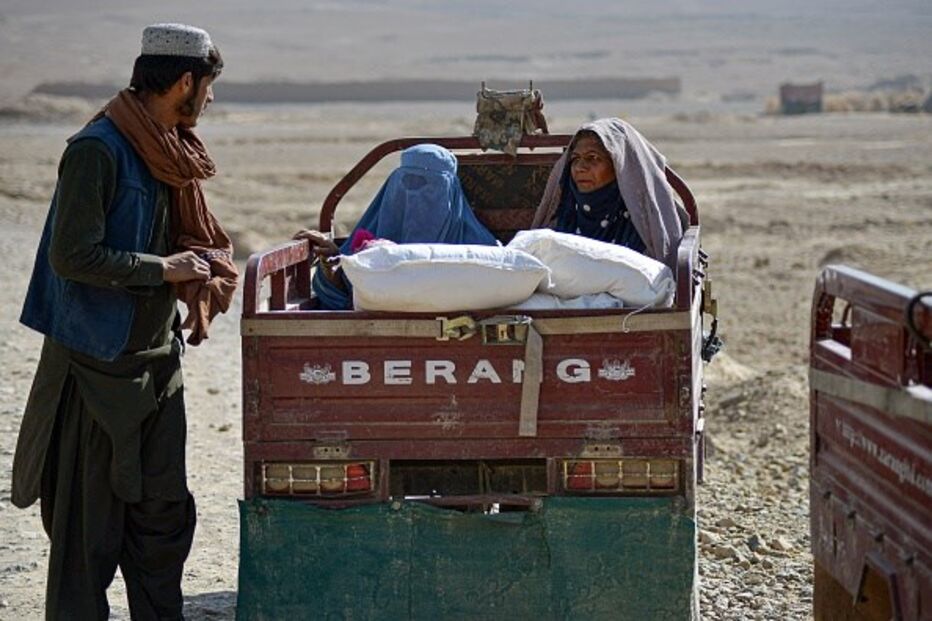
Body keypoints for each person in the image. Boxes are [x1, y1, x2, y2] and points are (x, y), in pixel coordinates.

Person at [10, 23, 237, 620]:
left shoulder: (167, 150)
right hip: (94, 364)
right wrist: (164, 269)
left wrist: (197, 267)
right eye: (208, 87)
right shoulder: (98, 149)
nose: (210, 100)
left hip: (158, 362)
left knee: (163, 518)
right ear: (185, 82)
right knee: (89, 528)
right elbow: (72, 255)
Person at [296, 143, 498, 310]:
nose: (415, 194)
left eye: (429, 186)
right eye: (408, 182)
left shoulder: (480, 248)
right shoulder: (370, 237)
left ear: (452, 192)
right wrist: (333, 266)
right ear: (393, 185)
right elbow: (340, 302)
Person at [532, 117, 687, 269]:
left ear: (620, 167)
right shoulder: (563, 218)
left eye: (592, 158)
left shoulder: (646, 227)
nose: (580, 167)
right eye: (575, 158)